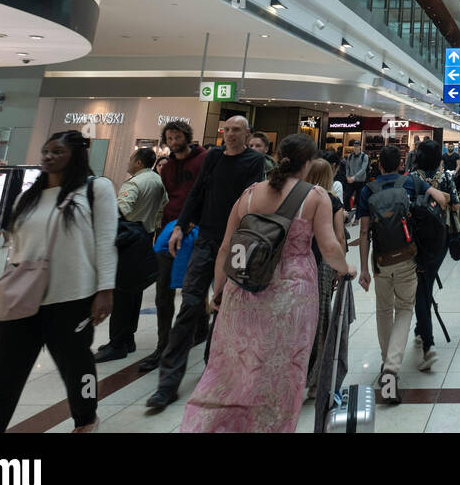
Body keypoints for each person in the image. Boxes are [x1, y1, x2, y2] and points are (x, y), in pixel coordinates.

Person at [181, 135, 354, 432]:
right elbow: (329, 247)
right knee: (282, 369)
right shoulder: (315, 196)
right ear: (308, 162)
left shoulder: (248, 194)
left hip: (243, 288)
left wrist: (219, 291)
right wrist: (346, 268)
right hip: (292, 294)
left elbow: (226, 247)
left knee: (234, 366)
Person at [0, 132, 116, 432]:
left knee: (78, 372)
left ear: (75, 155)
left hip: (72, 299)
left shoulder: (95, 189)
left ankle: (87, 418)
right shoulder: (27, 197)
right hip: (22, 300)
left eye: (57, 151)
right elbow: (17, 248)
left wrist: (105, 290)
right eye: (46, 151)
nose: (48, 156)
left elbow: (105, 242)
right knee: (1, 382)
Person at [146, 116, 267, 411]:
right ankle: (167, 383)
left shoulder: (254, 161)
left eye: (237, 130)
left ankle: (213, 370)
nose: (230, 135)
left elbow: (249, 202)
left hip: (236, 243)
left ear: (247, 133)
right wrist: (180, 226)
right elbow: (197, 192)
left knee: (225, 307)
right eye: (226, 130)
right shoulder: (213, 157)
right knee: (189, 305)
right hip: (206, 240)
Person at [357, 144, 446, 403]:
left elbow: (363, 232)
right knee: (405, 309)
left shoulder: (367, 190)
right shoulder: (412, 182)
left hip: (381, 260)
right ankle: (392, 368)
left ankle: (388, 363)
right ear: (400, 163)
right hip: (408, 257)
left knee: (384, 310)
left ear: (379, 165)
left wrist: (364, 268)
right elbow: (440, 199)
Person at [140, 121, 207, 372]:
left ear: (187, 137)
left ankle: (198, 329)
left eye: (177, 136)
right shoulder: (166, 168)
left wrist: (194, 222)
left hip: (196, 230)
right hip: (170, 229)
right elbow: (167, 196)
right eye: (169, 137)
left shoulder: (204, 160)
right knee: (164, 288)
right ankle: (163, 344)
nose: (173, 141)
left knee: (193, 285)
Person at [95, 146, 167, 362]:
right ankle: (128, 338)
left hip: (128, 239)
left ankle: (117, 343)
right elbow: (163, 207)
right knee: (134, 292)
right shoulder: (157, 181)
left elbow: (121, 209)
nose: (128, 162)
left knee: (122, 291)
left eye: (131, 158)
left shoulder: (135, 182)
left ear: (138, 162)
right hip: (146, 237)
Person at [407, 139, 457, 370]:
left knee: (422, 289)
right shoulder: (446, 178)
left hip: (416, 240)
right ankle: (421, 330)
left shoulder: (410, 178)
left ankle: (428, 344)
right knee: (425, 285)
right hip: (440, 239)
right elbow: (456, 205)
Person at [304, 157, 348, 398]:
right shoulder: (332, 201)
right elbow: (339, 237)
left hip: (299, 263)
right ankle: (316, 379)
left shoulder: (299, 198)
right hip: (323, 265)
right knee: (322, 320)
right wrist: (342, 268)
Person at [341, 140, 369, 214]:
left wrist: (354, 177)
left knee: (359, 200)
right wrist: (347, 176)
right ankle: (348, 213)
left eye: (357, 146)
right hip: (350, 181)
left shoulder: (364, 156)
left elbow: (363, 169)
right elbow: (347, 167)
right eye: (354, 146)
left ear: (360, 146)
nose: (356, 147)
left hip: (360, 181)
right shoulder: (350, 156)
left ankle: (357, 216)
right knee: (346, 197)